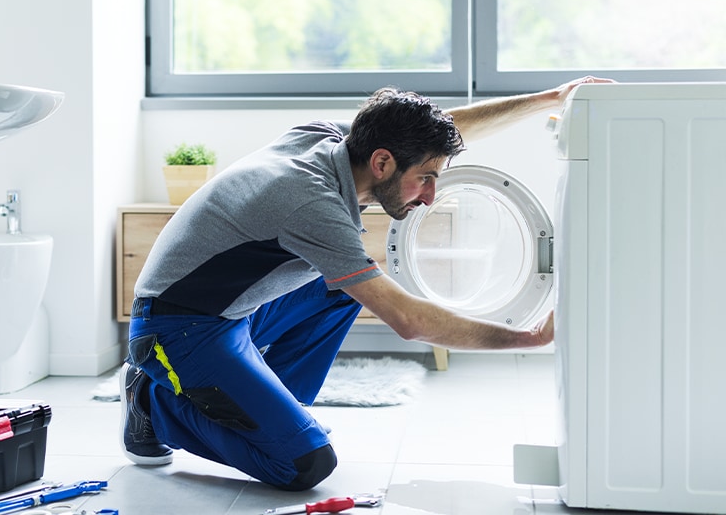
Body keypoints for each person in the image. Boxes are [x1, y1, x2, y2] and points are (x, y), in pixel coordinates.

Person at [119, 76, 611, 491]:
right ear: (382, 163)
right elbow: (409, 322)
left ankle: (267, 409)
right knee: (304, 465)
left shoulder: (330, 139)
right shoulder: (311, 203)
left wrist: (548, 98)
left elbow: (444, 129)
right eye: (426, 178)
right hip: (174, 328)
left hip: (231, 311)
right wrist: (526, 339)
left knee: (337, 290)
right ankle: (151, 402)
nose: (431, 196)